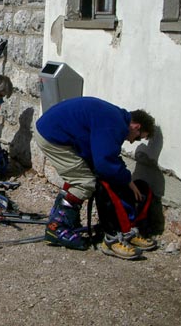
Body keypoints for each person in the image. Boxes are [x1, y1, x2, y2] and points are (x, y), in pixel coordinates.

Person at [35, 96, 157, 260]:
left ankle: (63, 221)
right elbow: (104, 163)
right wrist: (127, 180)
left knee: (78, 175)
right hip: (52, 136)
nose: (133, 141)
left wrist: (124, 177)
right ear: (136, 126)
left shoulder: (115, 118)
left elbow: (106, 153)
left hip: (50, 129)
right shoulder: (116, 125)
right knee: (85, 182)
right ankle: (57, 229)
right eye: (139, 137)